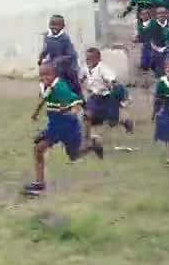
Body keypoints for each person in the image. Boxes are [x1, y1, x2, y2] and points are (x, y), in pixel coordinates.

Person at [25, 63, 103, 197]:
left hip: (68, 127)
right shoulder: (46, 86)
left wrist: (70, 110)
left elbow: (76, 103)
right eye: (41, 75)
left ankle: (92, 145)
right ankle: (39, 184)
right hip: (55, 127)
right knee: (38, 148)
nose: (43, 78)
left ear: (54, 75)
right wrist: (36, 112)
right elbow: (44, 98)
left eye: (46, 75)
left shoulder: (61, 88)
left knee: (74, 155)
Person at [81, 47, 133, 143]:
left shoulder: (103, 69)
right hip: (94, 97)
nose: (87, 61)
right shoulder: (86, 68)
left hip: (105, 98)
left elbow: (112, 80)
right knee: (87, 116)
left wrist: (110, 84)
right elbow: (82, 77)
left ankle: (125, 122)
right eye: (86, 58)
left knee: (110, 120)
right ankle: (86, 139)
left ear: (98, 59)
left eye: (90, 58)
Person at [38, 15, 81, 95]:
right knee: (45, 72)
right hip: (54, 62)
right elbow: (46, 48)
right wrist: (41, 57)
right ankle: (46, 92)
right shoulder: (47, 36)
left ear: (63, 26)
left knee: (71, 76)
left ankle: (77, 96)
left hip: (67, 63)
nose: (53, 27)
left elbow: (71, 55)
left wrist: (60, 59)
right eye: (52, 24)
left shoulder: (64, 38)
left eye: (57, 25)